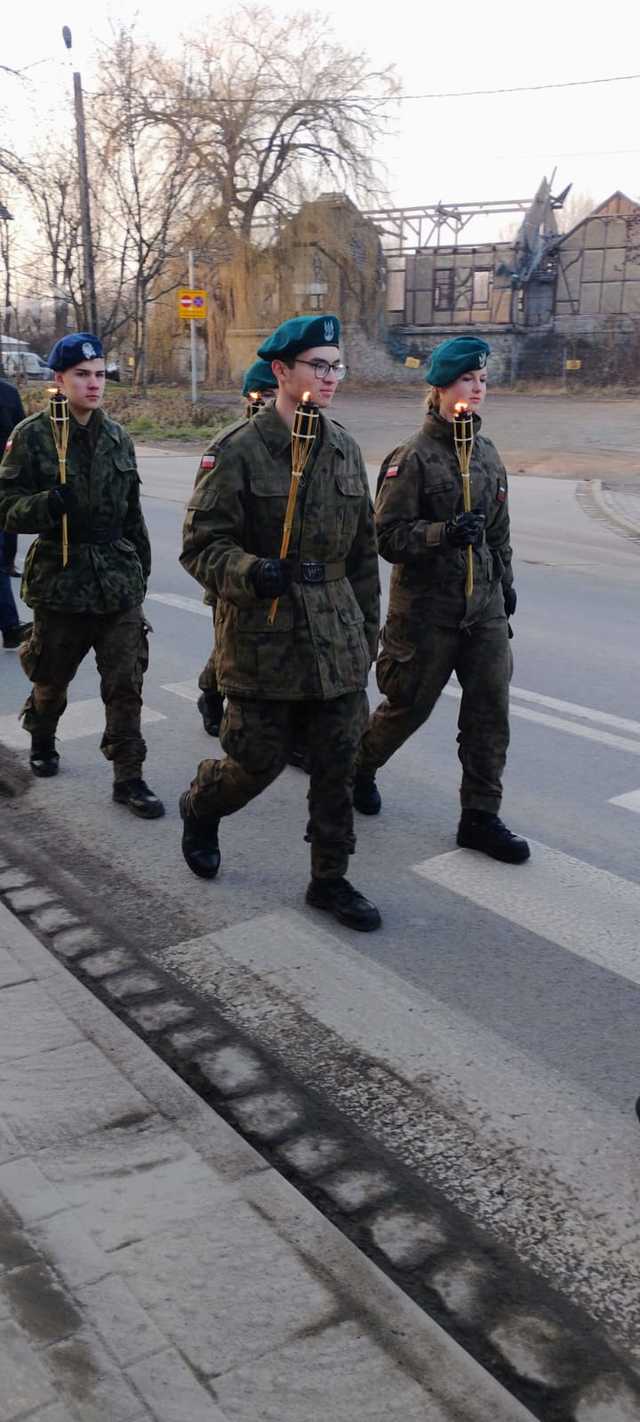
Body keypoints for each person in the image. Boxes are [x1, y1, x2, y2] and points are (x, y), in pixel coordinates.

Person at [179, 313, 382, 930]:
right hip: (264, 638)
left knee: (338, 761)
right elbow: (199, 547)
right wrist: (250, 571)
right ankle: (202, 805)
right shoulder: (237, 451)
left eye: (335, 365)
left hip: (335, 636)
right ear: (282, 372)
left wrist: (367, 636)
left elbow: (363, 555)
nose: (331, 377)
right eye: (319, 365)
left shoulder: (344, 447)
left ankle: (330, 878)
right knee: (256, 762)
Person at [353, 335, 530, 864]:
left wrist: (507, 583)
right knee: (407, 708)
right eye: (465, 381)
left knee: (489, 715)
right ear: (439, 389)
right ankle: (358, 767)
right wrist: (443, 534)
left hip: (485, 611)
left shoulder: (487, 452)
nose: (475, 390)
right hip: (428, 614)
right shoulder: (412, 457)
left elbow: (498, 532)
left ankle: (480, 816)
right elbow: (386, 538)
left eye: (481, 381)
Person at [0, 332, 164, 818]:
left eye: (99, 376)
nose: (94, 385)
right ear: (59, 380)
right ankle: (42, 733)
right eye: (82, 376)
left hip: (117, 582)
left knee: (125, 683)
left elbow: (132, 515)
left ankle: (129, 777)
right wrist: (47, 505)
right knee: (52, 680)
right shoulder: (32, 436)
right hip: (62, 581)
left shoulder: (118, 437)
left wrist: (141, 573)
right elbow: (6, 508)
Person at [196, 358, 278, 738]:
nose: (271, 403)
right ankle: (212, 694)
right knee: (230, 646)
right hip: (237, 568)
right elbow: (208, 522)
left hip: (277, 569)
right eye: (265, 396)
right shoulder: (234, 445)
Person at [0, 376, 31, 648]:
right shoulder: (9, 393)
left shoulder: (9, 394)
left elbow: (20, 438)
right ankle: (10, 626)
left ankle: (10, 626)